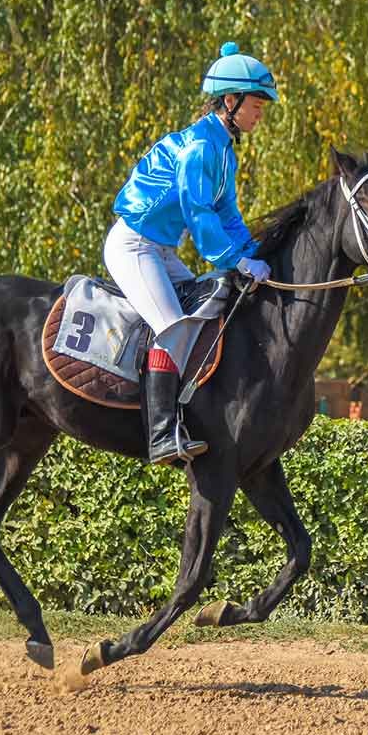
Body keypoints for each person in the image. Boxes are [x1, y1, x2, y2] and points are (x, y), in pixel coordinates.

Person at [103, 41, 277, 465]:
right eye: (256, 105)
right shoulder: (200, 148)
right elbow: (200, 216)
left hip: (160, 250)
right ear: (231, 102)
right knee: (174, 327)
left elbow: (228, 215)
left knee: (205, 315)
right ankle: (161, 434)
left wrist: (254, 253)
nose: (260, 114)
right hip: (134, 246)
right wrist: (235, 260)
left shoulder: (223, 150)